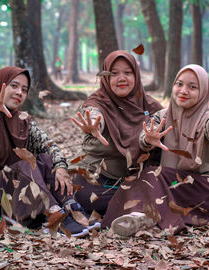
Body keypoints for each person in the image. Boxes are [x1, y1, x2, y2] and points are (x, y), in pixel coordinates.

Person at [101, 64, 209, 236]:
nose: (183, 91)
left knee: (155, 176)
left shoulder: (207, 115)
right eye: (179, 84)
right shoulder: (162, 115)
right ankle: (142, 218)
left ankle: (153, 217)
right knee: (140, 179)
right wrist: (148, 139)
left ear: (204, 91)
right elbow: (143, 140)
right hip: (176, 187)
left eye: (192, 87)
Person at [0, 66, 98, 237]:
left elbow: (48, 145)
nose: (19, 92)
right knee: (24, 165)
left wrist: (61, 167)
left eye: (24, 89)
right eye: (13, 86)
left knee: (45, 160)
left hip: (14, 189)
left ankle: (71, 207)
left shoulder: (23, 121)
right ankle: (52, 216)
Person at [70, 50, 163, 216]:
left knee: (165, 189)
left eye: (128, 73)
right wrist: (94, 124)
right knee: (86, 196)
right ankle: (135, 208)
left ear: (136, 75)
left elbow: (169, 126)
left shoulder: (150, 106)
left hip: (134, 178)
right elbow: (92, 112)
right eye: (114, 74)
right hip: (96, 176)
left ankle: (134, 207)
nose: (122, 78)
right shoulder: (98, 101)